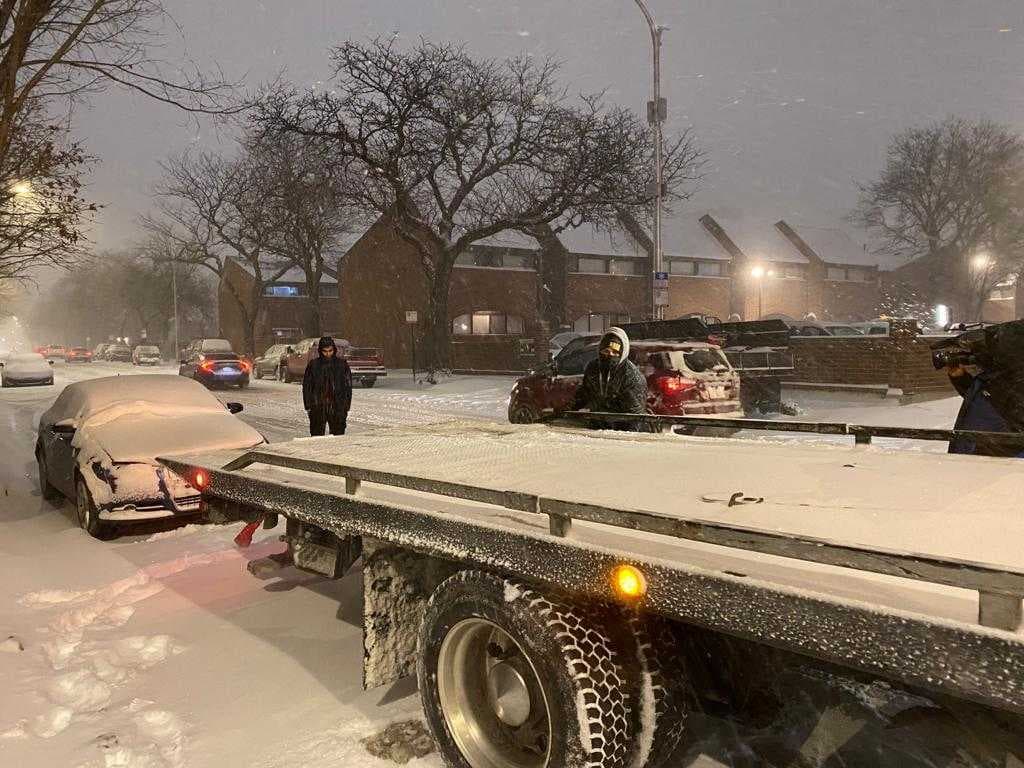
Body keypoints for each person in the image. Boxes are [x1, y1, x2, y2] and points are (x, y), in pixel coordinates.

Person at [567, 326, 647, 430]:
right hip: (596, 428)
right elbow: (585, 394)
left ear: (622, 353)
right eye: (606, 351)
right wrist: (568, 408)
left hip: (622, 431)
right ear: (600, 351)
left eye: (615, 352)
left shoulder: (631, 376)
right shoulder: (593, 368)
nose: (610, 356)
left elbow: (636, 415)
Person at [302, 336, 353, 436]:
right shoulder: (314, 365)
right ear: (320, 351)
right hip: (317, 406)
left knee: (338, 438)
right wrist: (308, 405)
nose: (328, 354)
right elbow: (307, 386)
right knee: (317, 437)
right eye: (325, 351)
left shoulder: (342, 365)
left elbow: (347, 387)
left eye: (330, 351)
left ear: (334, 350)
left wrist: (346, 406)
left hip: (337, 406)